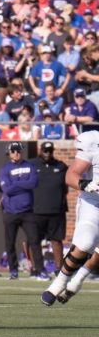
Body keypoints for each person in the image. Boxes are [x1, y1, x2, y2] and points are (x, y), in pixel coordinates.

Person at [43, 130, 99, 306]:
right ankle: (60, 282)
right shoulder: (93, 141)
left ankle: (77, 281)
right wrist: (84, 183)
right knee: (86, 243)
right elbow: (71, 174)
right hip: (94, 202)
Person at [0, 142, 42, 280]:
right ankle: (13, 270)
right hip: (10, 211)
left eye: (18, 150)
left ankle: (40, 270)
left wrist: (15, 184)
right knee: (10, 242)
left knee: (35, 241)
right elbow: (7, 190)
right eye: (13, 151)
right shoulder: (5, 169)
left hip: (28, 211)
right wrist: (23, 185)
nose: (16, 153)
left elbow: (34, 183)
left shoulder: (30, 166)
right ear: (9, 153)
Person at [32, 140, 68, 275]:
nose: (47, 153)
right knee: (34, 241)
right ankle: (36, 268)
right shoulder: (32, 165)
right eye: (45, 150)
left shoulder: (61, 166)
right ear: (40, 151)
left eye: (50, 151)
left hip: (56, 211)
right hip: (36, 210)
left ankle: (59, 268)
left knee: (57, 240)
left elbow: (65, 188)